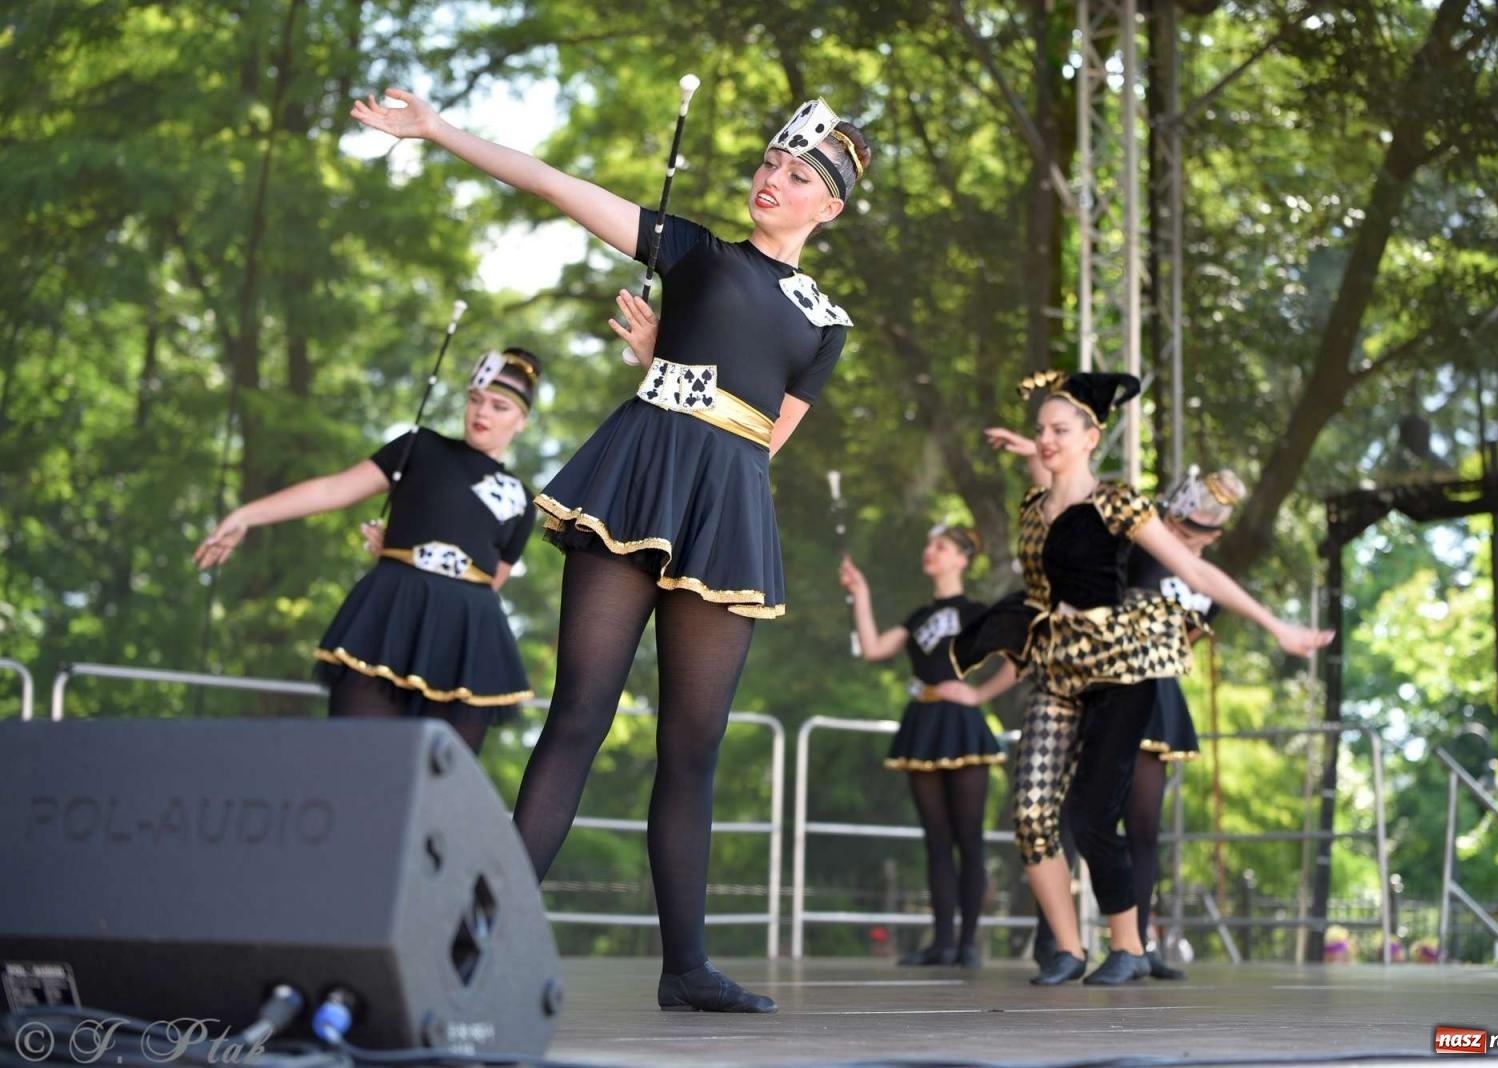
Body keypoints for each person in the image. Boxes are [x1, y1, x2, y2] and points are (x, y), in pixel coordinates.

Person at [352, 88, 870, 1013]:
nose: (771, 179)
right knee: (579, 715)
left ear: (829, 208)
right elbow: (555, 183)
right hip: (638, 475)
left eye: (796, 176)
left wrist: (661, 356)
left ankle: (686, 968)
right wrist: (435, 130)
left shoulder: (826, 326)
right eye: (768, 163)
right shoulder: (697, 251)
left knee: (693, 750)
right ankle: (474, 935)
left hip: (727, 510)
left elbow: (762, 439)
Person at [959, 370, 1331, 985]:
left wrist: (1275, 626)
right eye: (1040, 430)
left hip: (1122, 667)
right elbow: (1046, 562)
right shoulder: (1031, 510)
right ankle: (1066, 949)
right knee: (1030, 811)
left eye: (1059, 429)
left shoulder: (1120, 502)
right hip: (1057, 668)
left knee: (1096, 814)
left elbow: (1195, 571)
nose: (1046, 438)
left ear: (1090, 436)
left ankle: (1128, 945)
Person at [194, 348, 542, 754]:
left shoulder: (521, 499)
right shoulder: (420, 447)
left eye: (500, 406)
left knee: (439, 783)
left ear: (521, 421)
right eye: (475, 399)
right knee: (353, 762)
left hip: (465, 639)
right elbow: (333, 489)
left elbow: (490, 585)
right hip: (389, 614)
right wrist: (246, 515)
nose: (482, 412)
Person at [988, 456, 1248, 980]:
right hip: (1094, 679)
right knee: (1064, 810)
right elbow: (1073, 522)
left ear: (1213, 537)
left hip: (1152, 694)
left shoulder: (1206, 586)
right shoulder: (1135, 539)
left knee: (1143, 822)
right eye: (1181, 521)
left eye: (1199, 529)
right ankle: (1056, 940)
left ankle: (1138, 943)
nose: (1185, 532)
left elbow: (1188, 642)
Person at [839, 527, 1015, 968]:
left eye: (940, 547)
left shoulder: (977, 613)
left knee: (968, 837)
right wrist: (861, 594)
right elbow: (874, 649)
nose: (929, 551)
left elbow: (1019, 658)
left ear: (961, 559)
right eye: (929, 544)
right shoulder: (918, 617)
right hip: (924, 722)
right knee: (936, 840)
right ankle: (942, 942)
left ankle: (969, 942)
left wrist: (978, 695)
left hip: (962, 723)